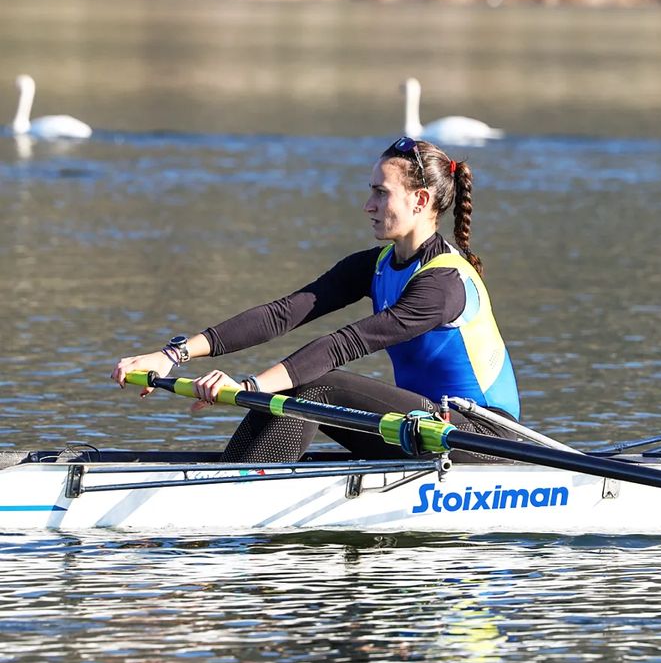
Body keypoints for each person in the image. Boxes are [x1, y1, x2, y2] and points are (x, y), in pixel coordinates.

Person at [112, 136, 521, 462]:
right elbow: (283, 314)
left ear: (420, 200)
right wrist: (174, 355)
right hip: (424, 426)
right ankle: (237, 476)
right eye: (370, 192)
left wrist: (249, 387)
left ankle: (240, 489)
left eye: (381, 193)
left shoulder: (444, 283)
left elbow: (347, 343)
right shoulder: (376, 265)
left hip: (484, 438)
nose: (368, 206)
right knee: (297, 386)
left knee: (317, 386)